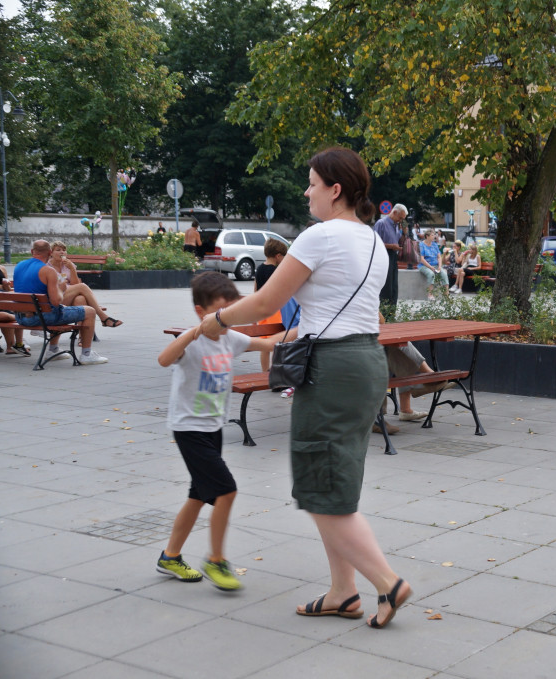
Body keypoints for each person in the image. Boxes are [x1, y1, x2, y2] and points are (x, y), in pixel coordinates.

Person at [196, 145, 412, 628]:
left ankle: (388, 583)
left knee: (320, 486)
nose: (306, 191)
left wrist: (217, 319)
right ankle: (343, 591)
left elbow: (265, 301)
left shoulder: (319, 236)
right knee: (334, 481)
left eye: (312, 183)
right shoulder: (375, 241)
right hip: (365, 362)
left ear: (335, 190)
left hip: (331, 368)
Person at [156, 272, 277, 590]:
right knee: (226, 490)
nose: (229, 319)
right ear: (202, 311)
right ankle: (216, 560)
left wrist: (306, 331)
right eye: (223, 312)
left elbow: (268, 342)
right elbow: (164, 359)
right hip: (189, 429)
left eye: (231, 311)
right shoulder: (192, 342)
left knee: (197, 496)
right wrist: (195, 332)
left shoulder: (230, 338)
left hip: (213, 428)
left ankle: (170, 557)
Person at [12, 240, 107, 365]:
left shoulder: (19, 266)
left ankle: (53, 349)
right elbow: (56, 302)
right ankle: (86, 354)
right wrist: (61, 290)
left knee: (72, 304)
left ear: (31, 252)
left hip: (21, 318)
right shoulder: (48, 271)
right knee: (90, 311)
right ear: (50, 252)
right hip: (42, 317)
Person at [254, 238, 301, 390]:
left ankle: (264, 373)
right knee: (277, 344)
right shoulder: (276, 271)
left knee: (264, 346)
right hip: (274, 311)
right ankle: (275, 374)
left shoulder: (260, 269)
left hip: (262, 312)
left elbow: (256, 290)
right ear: (278, 256)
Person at [373, 204, 407, 309]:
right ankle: (384, 312)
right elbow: (374, 242)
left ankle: (391, 312)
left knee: (394, 287)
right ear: (394, 212)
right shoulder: (381, 223)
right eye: (400, 218)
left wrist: (404, 233)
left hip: (393, 257)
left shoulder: (396, 226)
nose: (400, 220)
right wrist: (391, 246)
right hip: (383, 256)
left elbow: (398, 241)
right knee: (386, 287)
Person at [0, 264, 30, 356]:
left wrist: (6, 285)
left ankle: (16, 345)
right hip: (3, 305)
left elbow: (8, 290)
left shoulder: (1, 268)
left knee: (16, 308)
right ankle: (13, 345)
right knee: (8, 315)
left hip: (4, 302)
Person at [417, 229, 449, 299]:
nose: (434, 236)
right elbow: (422, 259)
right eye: (432, 235)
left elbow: (439, 257)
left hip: (436, 265)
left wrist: (440, 266)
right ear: (427, 236)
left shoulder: (435, 244)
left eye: (434, 235)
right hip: (424, 265)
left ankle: (446, 295)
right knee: (431, 274)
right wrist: (431, 267)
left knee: (444, 273)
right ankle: (430, 295)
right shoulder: (421, 245)